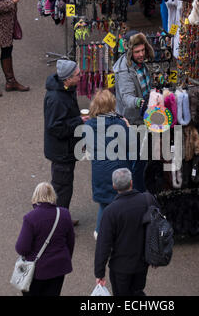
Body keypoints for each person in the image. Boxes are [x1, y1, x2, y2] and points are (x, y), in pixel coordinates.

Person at [94, 168, 159, 296]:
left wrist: (99, 273)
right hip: (142, 262)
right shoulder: (147, 200)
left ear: (114, 186)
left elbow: (103, 245)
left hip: (120, 267)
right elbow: (157, 226)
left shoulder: (111, 211)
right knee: (137, 291)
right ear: (131, 182)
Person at [84, 90, 132, 240]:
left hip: (99, 170)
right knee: (122, 202)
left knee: (104, 204)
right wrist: (128, 127)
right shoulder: (119, 123)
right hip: (118, 169)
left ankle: (100, 231)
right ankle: (120, 235)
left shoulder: (89, 125)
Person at [44, 59, 86, 226]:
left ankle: (62, 216)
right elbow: (55, 127)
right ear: (67, 79)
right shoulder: (57, 99)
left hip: (66, 149)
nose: (80, 76)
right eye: (77, 75)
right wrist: (79, 121)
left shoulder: (66, 89)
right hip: (61, 151)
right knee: (62, 188)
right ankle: (58, 224)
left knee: (64, 187)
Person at [15, 182, 75, 296]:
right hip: (59, 267)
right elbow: (70, 242)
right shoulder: (64, 214)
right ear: (53, 196)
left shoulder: (30, 218)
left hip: (37, 271)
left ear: (35, 196)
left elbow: (22, 248)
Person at [113, 32, 154, 192]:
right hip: (132, 121)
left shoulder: (140, 64)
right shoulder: (124, 71)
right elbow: (127, 98)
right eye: (137, 52)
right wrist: (141, 102)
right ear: (130, 52)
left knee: (142, 158)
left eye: (143, 50)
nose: (141, 54)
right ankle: (137, 192)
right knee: (137, 161)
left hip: (143, 117)